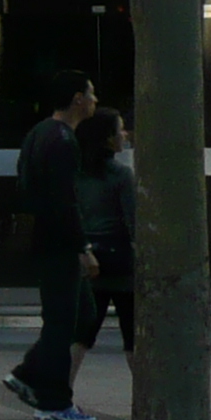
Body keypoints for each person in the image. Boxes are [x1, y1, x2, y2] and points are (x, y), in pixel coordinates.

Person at [7, 72, 99, 420]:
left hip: (47, 238)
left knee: (83, 315)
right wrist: (82, 247)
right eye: (91, 94)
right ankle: (55, 401)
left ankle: (30, 374)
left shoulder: (39, 133)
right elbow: (65, 200)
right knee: (63, 322)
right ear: (77, 98)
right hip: (58, 243)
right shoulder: (61, 141)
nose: (94, 100)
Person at [68, 104, 139, 383]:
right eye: (119, 130)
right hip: (121, 262)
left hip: (89, 261)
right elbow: (133, 222)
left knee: (82, 333)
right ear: (108, 138)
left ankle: (60, 394)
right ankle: (145, 398)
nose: (125, 134)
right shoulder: (121, 175)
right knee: (134, 334)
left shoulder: (76, 174)